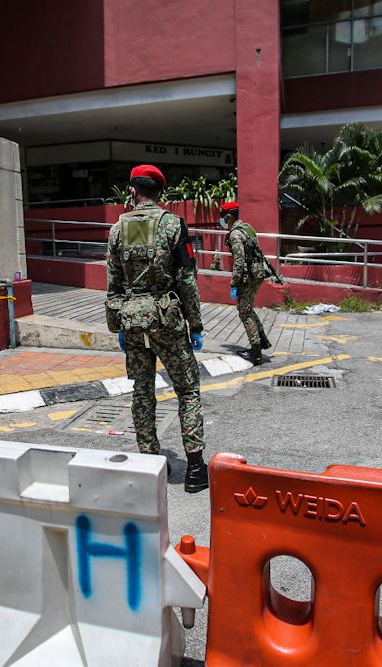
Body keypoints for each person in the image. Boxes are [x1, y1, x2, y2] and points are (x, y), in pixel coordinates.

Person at [105, 165, 209, 493]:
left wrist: (117, 325)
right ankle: (194, 469)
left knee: (142, 391)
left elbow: (114, 282)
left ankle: (149, 463)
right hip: (167, 320)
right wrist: (196, 324)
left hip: (133, 322)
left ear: (132, 191)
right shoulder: (172, 225)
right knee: (188, 389)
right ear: (161, 193)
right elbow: (187, 278)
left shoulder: (117, 230)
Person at [220, 201, 273, 365]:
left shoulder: (235, 235)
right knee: (248, 309)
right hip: (257, 273)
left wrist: (234, 282)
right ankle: (262, 340)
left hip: (247, 277)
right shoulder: (247, 228)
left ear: (228, 217)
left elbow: (239, 260)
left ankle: (256, 352)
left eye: (223, 217)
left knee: (244, 313)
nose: (221, 220)